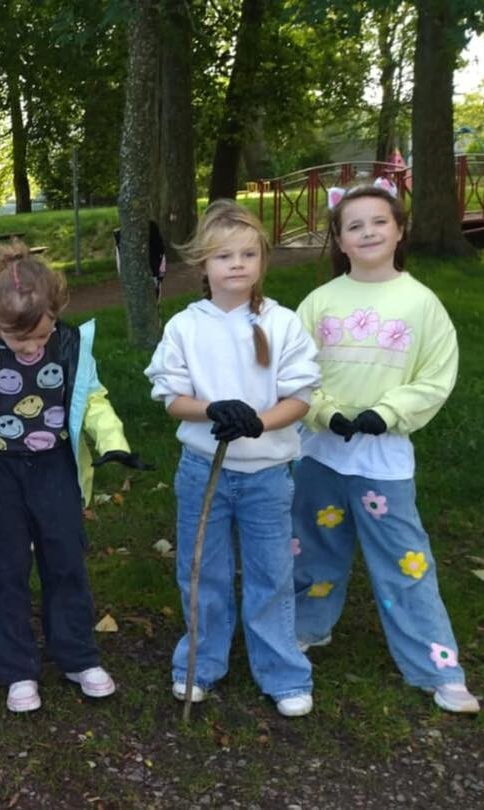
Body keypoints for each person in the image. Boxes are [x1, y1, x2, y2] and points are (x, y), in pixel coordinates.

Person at [0, 242, 149, 713]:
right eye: (16, 339)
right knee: (1, 569)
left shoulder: (70, 345)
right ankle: (17, 669)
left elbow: (92, 399)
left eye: (39, 336)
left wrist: (113, 441)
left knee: (66, 561)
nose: (30, 348)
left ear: (56, 312)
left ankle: (78, 656)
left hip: (53, 468)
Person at [293, 184, 480, 714]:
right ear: (339, 240)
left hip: (384, 462)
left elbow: (436, 377)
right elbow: (294, 370)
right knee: (311, 547)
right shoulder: (319, 302)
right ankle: (307, 626)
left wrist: (389, 412)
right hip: (320, 453)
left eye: (379, 221)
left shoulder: (421, 303)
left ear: (399, 231)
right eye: (354, 225)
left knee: (405, 560)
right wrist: (322, 410)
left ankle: (437, 667)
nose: (368, 232)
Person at [144, 200, 321, 717]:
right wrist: (211, 409)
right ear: (204, 264)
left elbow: (301, 397)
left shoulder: (282, 323)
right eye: (224, 256)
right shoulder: (185, 326)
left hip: (268, 473)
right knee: (202, 570)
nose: (237, 264)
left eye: (248, 254)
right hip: (203, 471)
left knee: (272, 574)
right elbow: (171, 396)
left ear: (262, 260)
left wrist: (260, 421)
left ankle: (283, 673)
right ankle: (199, 664)